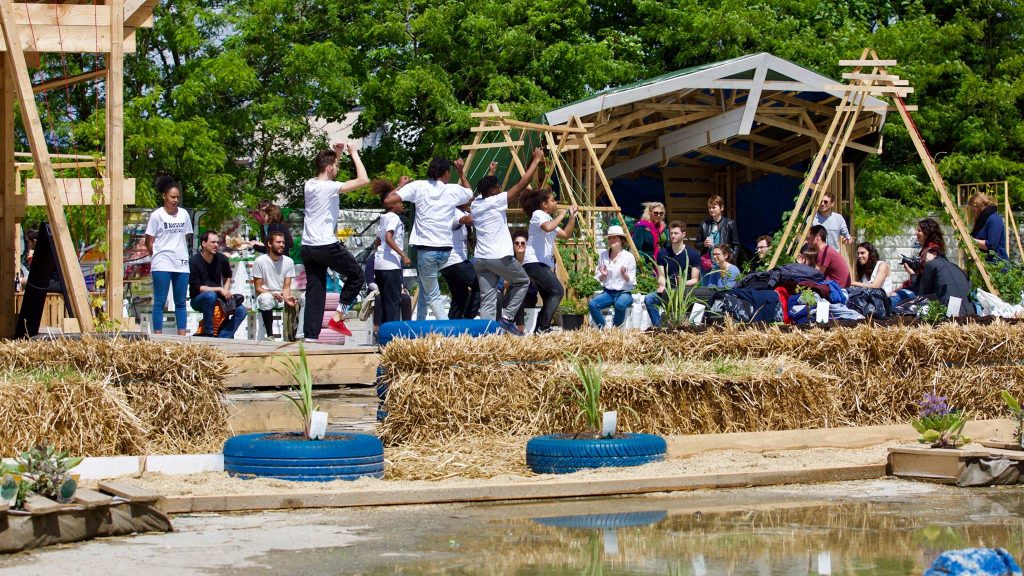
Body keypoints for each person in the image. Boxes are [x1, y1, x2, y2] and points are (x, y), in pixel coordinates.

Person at [386, 158, 474, 321]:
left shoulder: (418, 186)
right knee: (426, 289)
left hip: (427, 251)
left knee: (432, 295)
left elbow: (388, 200)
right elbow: (470, 194)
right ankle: (421, 322)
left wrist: (401, 185)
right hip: (446, 251)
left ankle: (447, 330)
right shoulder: (452, 189)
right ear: (446, 173)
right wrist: (461, 173)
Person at [470, 148, 545, 335]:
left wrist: (491, 173)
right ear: (493, 191)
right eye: (497, 187)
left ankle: (486, 336)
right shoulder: (496, 201)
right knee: (522, 281)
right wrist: (535, 160)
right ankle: (507, 318)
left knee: (487, 299)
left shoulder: (476, 204)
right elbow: (521, 185)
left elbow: (484, 189)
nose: (500, 189)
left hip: (480, 259)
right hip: (499, 257)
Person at [301, 142, 369, 341]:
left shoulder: (310, 184)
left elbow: (329, 168)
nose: (338, 169)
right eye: (336, 166)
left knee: (316, 290)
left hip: (308, 246)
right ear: (330, 168)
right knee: (356, 275)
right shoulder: (330, 188)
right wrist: (354, 153)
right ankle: (338, 315)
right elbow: (363, 179)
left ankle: (310, 337)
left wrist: (337, 153)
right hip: (325, 245)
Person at [521, 186, 578, 333]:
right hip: (535, 263)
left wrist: (572, 217)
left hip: (540, 264)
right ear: (544, 204)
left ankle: (538, 331)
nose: (556, 203)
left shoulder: (548, 218)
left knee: (548, 298)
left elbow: (565, 234)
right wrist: (561, 215)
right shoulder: (538, 214)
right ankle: (544, 328)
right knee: (558, 291)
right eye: (553, 200)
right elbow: (547, 227)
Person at [145, 175, 193, 335]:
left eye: (177, 197)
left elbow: (185, 237)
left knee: (180, 302)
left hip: (181, 262)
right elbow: (149, 241)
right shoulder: (157, 215)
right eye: (172, 197)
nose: (175, 200)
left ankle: (182, 337)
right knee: (160, 300)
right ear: (164, 196)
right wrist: (158, 255)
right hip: (162, 262)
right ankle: (157, 335)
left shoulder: (184, 214)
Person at [189, 232, 246, 338]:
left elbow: (228, 276)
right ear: (204, 243)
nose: (216, 245)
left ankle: (223, 337)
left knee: (242, 310)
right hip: (198, 298)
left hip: (218, 297)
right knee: (210, 295)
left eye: (217, 242)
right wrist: (219, 289)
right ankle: (208, 333)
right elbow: (197, 287)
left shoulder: (222, 259)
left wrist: (225, 290)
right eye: (213, 242)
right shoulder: (193, 261)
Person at [644, 220, 701, 327]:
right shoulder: (663, 253)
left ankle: (682, 325)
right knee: (649, 298)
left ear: (683, 234)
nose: (673, 236)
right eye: (671, 233)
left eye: (676, 233)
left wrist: (683, 282)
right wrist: (662, 285)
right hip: (667, 290)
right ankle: (659, 327)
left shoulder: (693, 254)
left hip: (684, 292)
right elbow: (661, 275)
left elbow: (695, 279)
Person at [372, 179, 411, 326]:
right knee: (394, 301)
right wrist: (403, 255)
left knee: (384, 300)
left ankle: (382, 332)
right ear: (392, 204)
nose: (402, 204)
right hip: (390, 265)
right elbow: (388, 238)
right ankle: (393, 334)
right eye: (400, 201)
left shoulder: (383, 218)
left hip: (380, 264)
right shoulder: (394, 218)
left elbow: (378, 241)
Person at [252, 231, 303, 340]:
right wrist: (272, 294)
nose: (282, 245)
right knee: (266, 299)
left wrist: (287, 297)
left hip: (281, 296)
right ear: (269, 244)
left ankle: (300, 335)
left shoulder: (288, 261)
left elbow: (286, 287)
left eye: (283, 242)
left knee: (304, 298)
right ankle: (270, 335)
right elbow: (258, 288)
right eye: (278, 242)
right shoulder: (260, 261)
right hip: (266, 295)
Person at [589, 225, 637, 328]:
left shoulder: (629, 257)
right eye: (610, 238)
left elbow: (632, 281)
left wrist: (625, 275)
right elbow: (599, 277)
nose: (611, 240)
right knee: (593, 304)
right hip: (608, 292)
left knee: (620, 304)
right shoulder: (603, 255)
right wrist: (603, 275)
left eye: (614, 237)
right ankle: (603, 328)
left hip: (624, 292)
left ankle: (616, 329)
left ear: (621, 240)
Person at [439, 199, 480, 320]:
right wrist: (479, 210)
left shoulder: (462, 212)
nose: (470, 203)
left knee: (460, 296)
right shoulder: (454, 212)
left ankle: (452, 328)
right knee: (480, 285)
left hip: (452, 262)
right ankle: (468, 319)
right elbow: (469, 220)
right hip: (453, 261)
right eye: (467, 201)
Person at [891, 218, 946, 306]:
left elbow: (926, 280)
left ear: (927, 232)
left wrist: (911, 274)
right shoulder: (929, 249)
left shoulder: (931, 252)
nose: (916, 233)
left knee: (894, 299)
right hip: (924, 290)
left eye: (919, 230)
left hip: (928, 294)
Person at [918, 246, 976, 316]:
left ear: (934, 253)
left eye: (923, 257)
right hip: (970, 312)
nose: (921, 261)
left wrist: (913, 275)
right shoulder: (956, 267)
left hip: (952, 314)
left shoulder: (931, 264)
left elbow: (921, 295)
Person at [695, 195, 739, 271]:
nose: (711, 210)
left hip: (724, 262)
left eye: (714, 207)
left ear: (721, 208)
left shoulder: (730, 223)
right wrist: (704, 244)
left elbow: (736, 245)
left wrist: (729, 260)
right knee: (708, 283)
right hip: (708, 262)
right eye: (709, 208)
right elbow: (697, 244)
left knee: (723, 283)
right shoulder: (704, 224)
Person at [968, 192, 1008, 261]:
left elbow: (991, 245)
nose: (973, 213)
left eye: (974, 211)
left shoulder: (994, 218)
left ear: (979, 205)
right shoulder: (981, 221)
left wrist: (969, 239)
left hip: (996, 266)